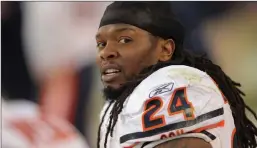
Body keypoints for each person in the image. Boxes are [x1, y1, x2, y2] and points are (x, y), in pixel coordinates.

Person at [95, 2, 257, 148]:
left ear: (165, 49)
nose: (106, 53)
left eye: (125, 40)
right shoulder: (115, 108)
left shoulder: (176, 94)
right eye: (101, 44)